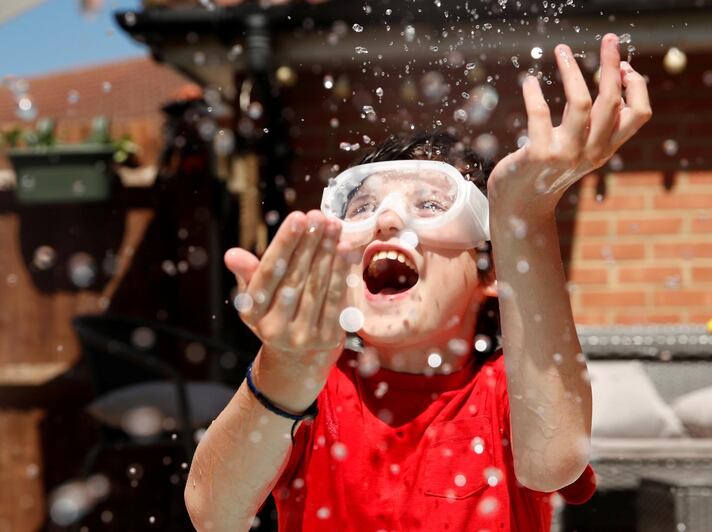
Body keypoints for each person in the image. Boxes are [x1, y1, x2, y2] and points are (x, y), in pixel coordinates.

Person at [185, 34, 652, 531]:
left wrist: (525, 212)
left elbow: (555, 462)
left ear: (490, 270)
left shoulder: (504, 391)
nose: (386, 221)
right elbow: (213, 514)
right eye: (362, 207)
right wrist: (285, 366)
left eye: (430, 205)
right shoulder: (312, 389)